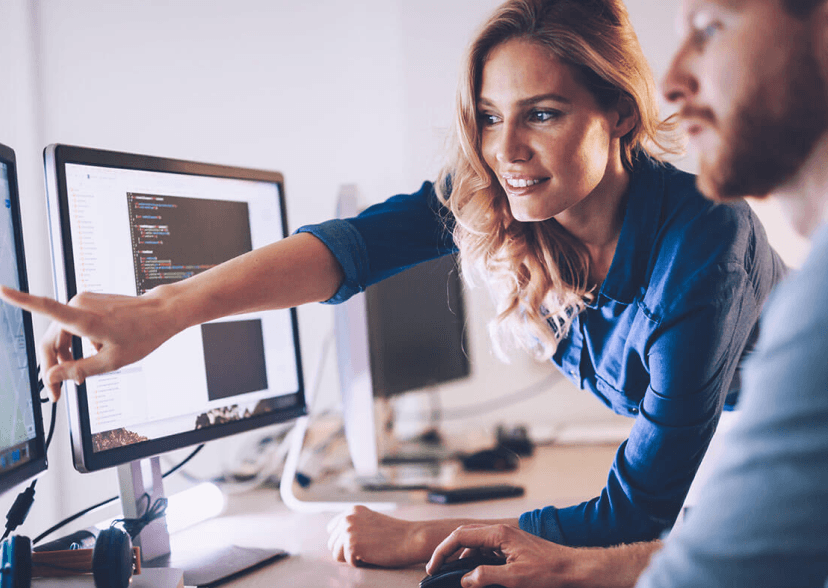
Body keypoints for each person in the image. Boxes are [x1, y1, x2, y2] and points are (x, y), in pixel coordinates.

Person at [0, 0, 784, 565]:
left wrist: (420, 537)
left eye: (541, 114)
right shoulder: (511, 194)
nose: (504, 149)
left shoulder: (704, 241)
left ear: (617, 113)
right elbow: (353, 249)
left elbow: (635, 512)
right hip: (712, 476)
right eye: (486, 115)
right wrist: (165, 311)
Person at [424, 0, 828, 586]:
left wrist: (423, 537)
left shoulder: (770, 284)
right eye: (489, 117)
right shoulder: (529, 224)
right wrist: (580, 566)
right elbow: (729, 553)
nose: (669, 82)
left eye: (710, 28)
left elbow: (705, 559)